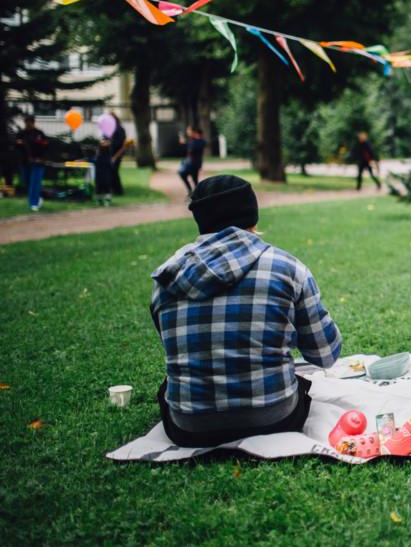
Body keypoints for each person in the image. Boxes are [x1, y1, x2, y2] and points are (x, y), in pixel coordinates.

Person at [150, 175, 341, 446]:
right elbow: (325, 354)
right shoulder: (288, 268)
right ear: (253, 217)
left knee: (166, 387)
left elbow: (177, 349)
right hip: (274, 419)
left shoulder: (165, 277)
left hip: (189, 427)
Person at [15, 114, 48, 211]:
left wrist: (40, 158)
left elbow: (45, 147)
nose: (28, 124)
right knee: (27, 182)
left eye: (30, 122)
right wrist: (19, 144)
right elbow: (16, 147)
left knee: (35, 182)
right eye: (27, 122)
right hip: (24, 162)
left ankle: (33, 203)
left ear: (33, 122)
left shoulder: (39, 133)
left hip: (38, 162)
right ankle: (38, 198)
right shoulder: (21, 134)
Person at [177, 126, 207, 196]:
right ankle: (194, 193)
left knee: (184, 174)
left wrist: (185, 144)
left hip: (194, 163)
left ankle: (194, 192)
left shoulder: (199, 141)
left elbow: (192, 148)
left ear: (194, 132)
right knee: (194, 179)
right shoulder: (193, 140)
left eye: (189, 131)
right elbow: (188, 149)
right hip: (192, 163)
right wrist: (184, 144)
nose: (188, 132)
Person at [109, 112, 127, 196]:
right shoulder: (111, 129)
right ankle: (114, 189)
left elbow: (123, 145)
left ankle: (118, 190)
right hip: (112, 155)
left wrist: (115, 157)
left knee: (114, 171)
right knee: (112, 172)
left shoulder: (119, 129)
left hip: (117, 154)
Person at [92, 138, 114, 206]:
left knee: (106, 186)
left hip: (106, 172)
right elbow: (96, 160)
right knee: (99, 186)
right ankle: (99, 200)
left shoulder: (108, 151)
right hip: (99, 172)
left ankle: (107, 200)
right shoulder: (99, 153)